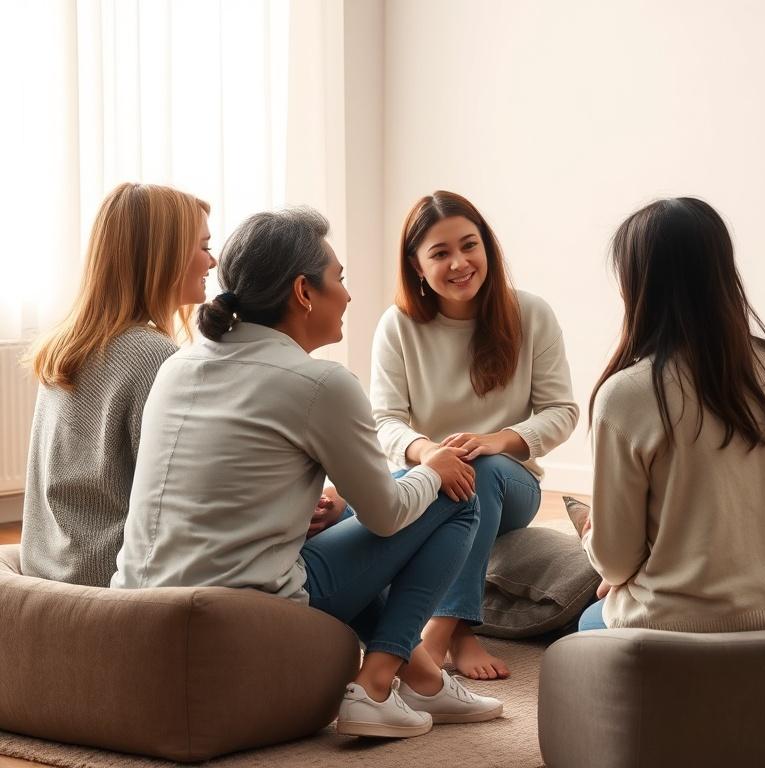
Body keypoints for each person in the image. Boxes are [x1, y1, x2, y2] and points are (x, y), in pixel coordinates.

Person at [110, 207, 502, 739]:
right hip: (248, 612)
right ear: (303, 292)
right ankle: (376, 685)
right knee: (457, 497)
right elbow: (388, 518)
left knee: (352, 520)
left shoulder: (178, 364)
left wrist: (342, 504)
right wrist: (433, 466)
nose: (347, 294)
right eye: (338, 278)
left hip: (135, 607)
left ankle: (426, 677)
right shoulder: (319, 382)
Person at [578, 197, 765, 633]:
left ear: (637, 284)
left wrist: (593, 537)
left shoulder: (625, 394)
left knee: (587, 623)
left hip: (683, 628)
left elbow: (615, 563)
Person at [370, 191, 578, 679]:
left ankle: (437, 631)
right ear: (417, 266)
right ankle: (462, 635)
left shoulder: (531, 313)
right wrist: (428, 453)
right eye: (440, 254)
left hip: (508, 485)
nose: (460, 263)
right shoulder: (397, 325)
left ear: (488, 247)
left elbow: (561, 411)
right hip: (425, 481)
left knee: (479, 468)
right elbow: (384, 421)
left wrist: (497, 440)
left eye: (469, 246)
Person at [20, 182, 213, 587]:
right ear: (166, 257)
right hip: (111, 587)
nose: (211, 262)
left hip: (51, 578)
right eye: (203, 246)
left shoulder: (64, 346)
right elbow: (182, 506)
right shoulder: (153, 357)